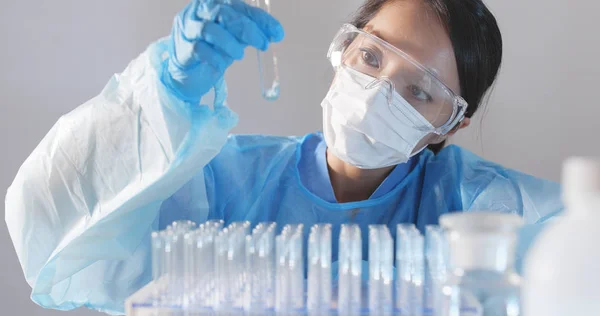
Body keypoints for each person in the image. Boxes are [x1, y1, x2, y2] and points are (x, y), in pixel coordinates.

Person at [5, 0, 562, 314]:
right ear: (343, 53)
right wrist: (163, 96)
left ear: (450, 125)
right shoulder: (223, 184)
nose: (377, 91)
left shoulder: (477, 206)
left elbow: (578, 250)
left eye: (419, 91)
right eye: (370, 57)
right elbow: (55, 230)